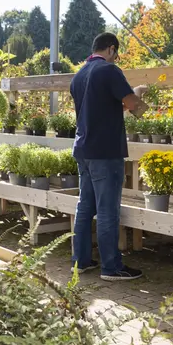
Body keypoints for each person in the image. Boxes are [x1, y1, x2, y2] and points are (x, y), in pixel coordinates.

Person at [70, 32, 150, 282]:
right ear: (111, 49)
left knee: (85, 207)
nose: (116, 58)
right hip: (106, 150)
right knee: (107, 210)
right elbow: (133, 106)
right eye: (117, 53)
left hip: (83, 148)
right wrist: (138, 93)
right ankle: (111, 267)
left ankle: (80, 261)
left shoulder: (79, 75)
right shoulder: (109, 71)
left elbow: (98, 107)